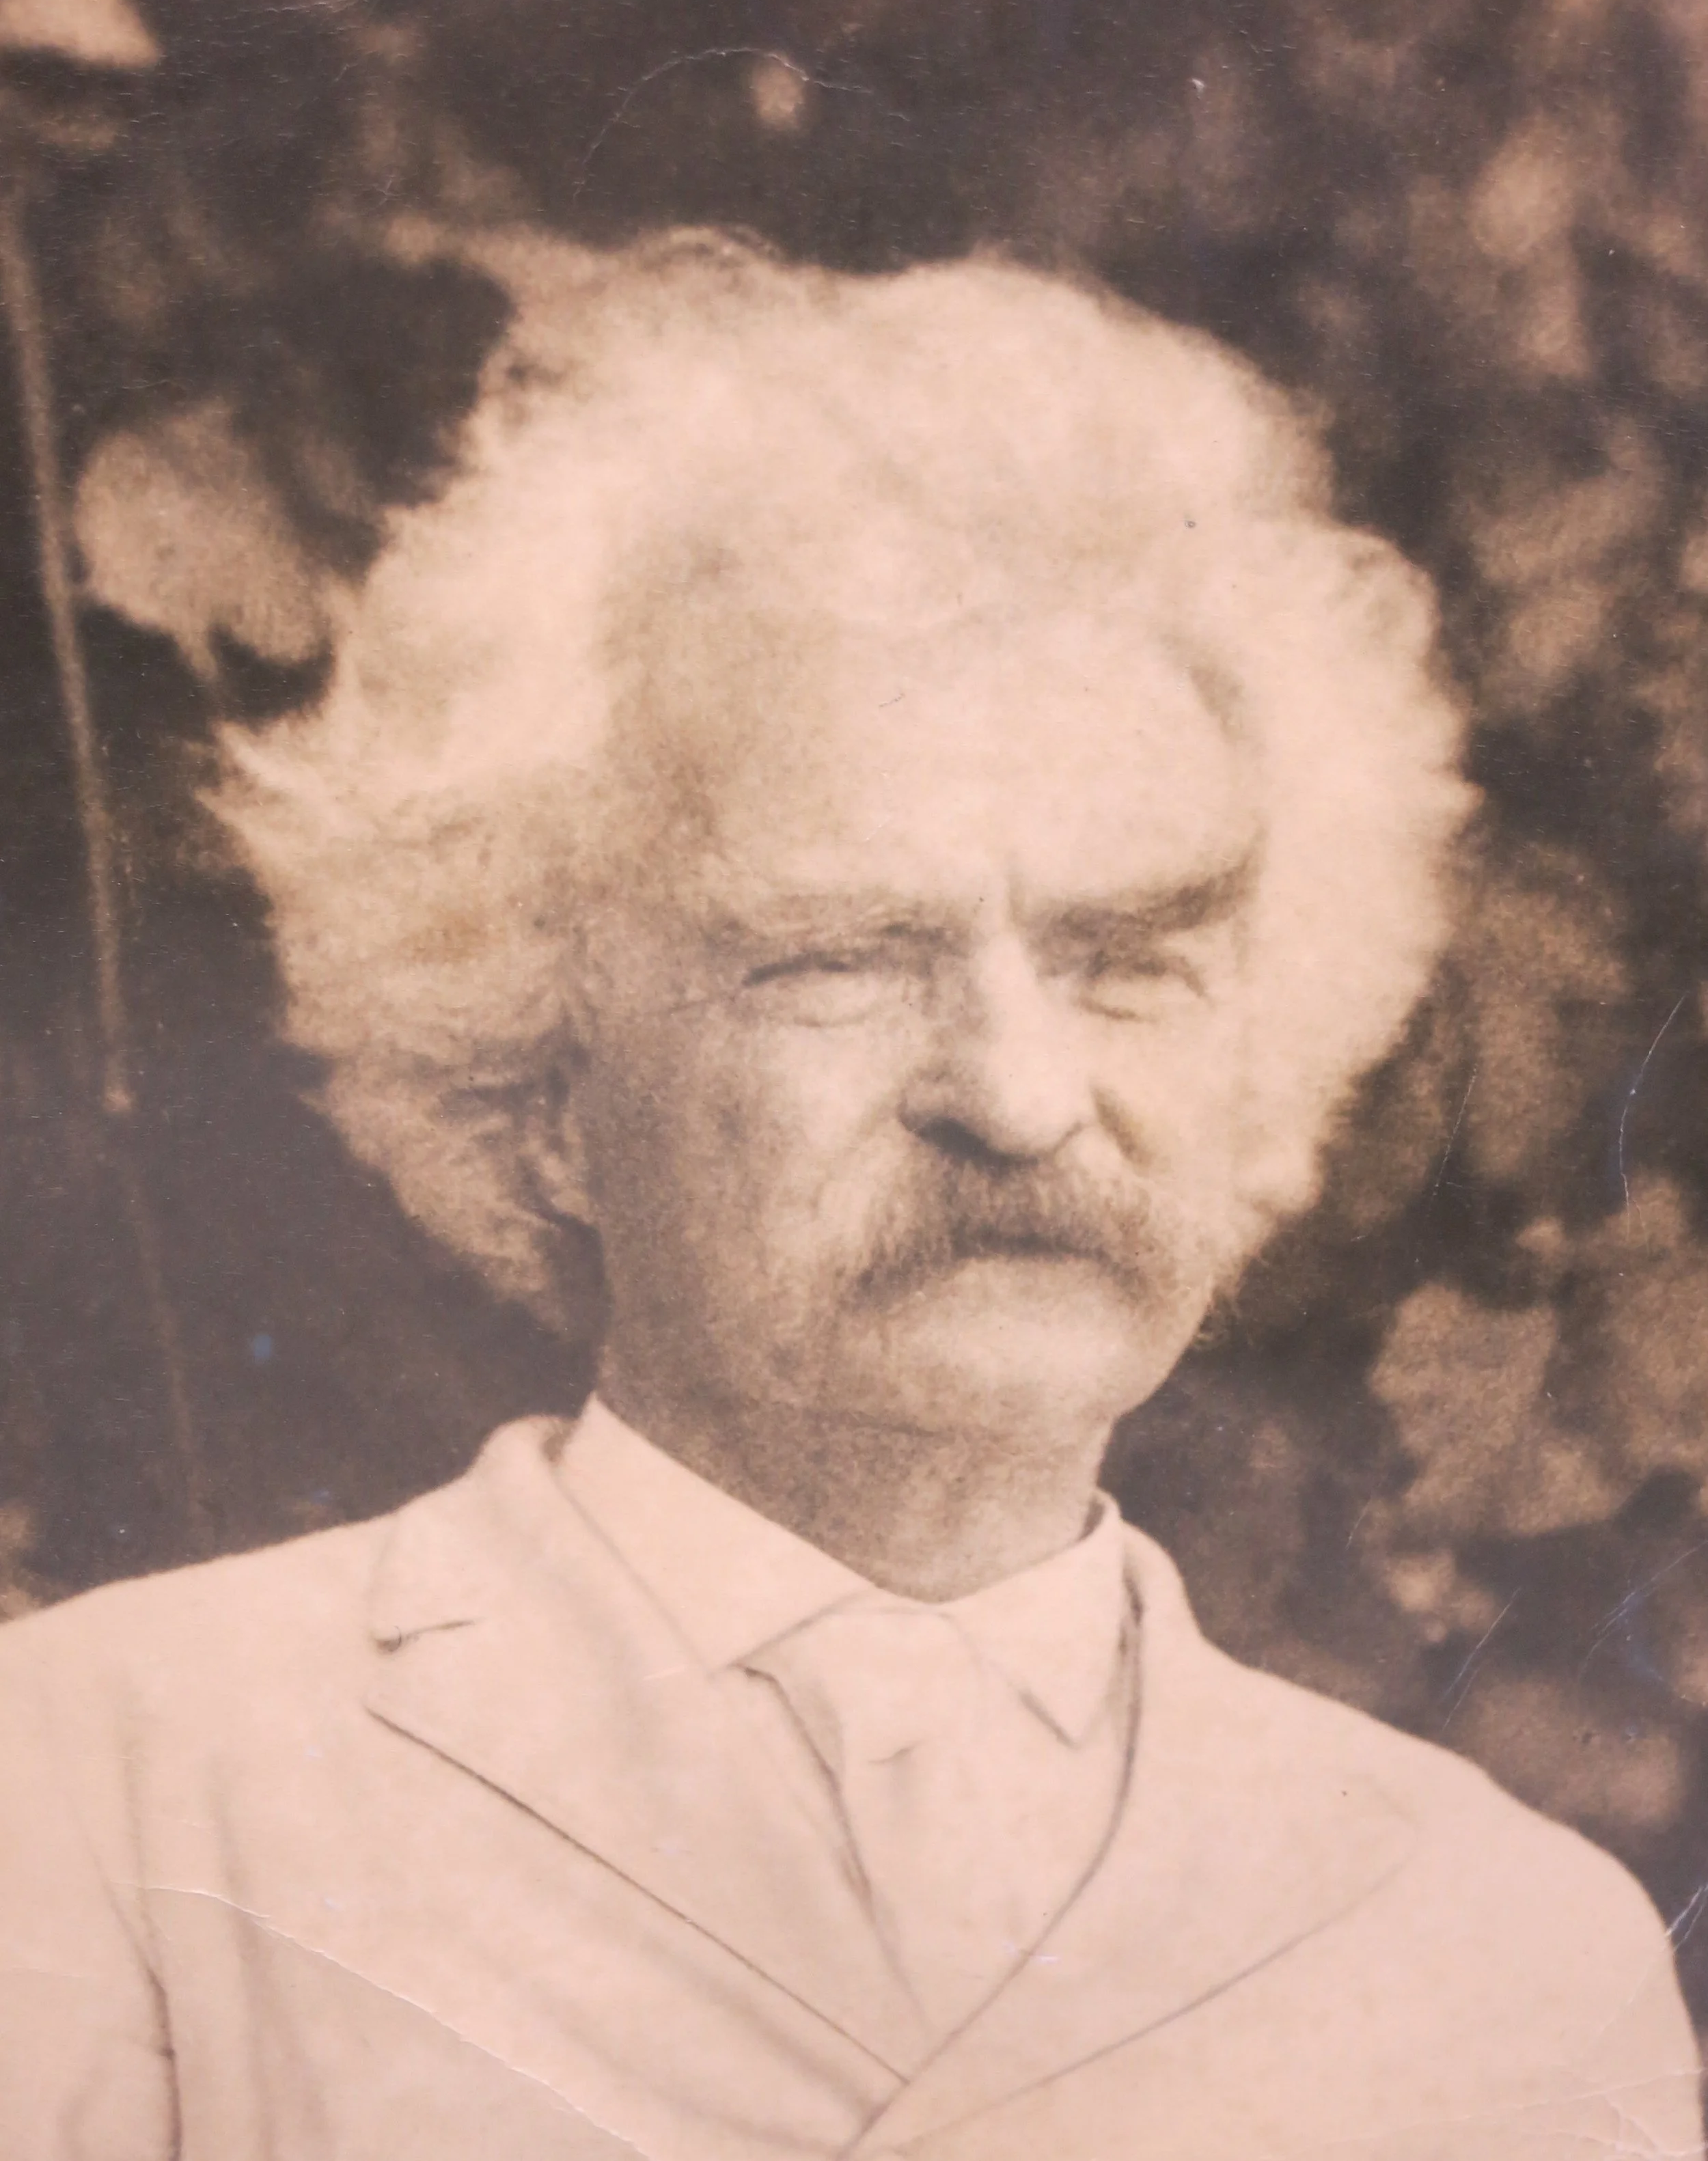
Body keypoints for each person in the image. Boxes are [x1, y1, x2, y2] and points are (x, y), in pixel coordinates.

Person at [1, 230, 1700, 2161]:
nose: (1015, 1090)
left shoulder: (1503, 1964)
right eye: (836, 957)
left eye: (1127, 958)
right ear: (548, 1078)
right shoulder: (105, 1800)